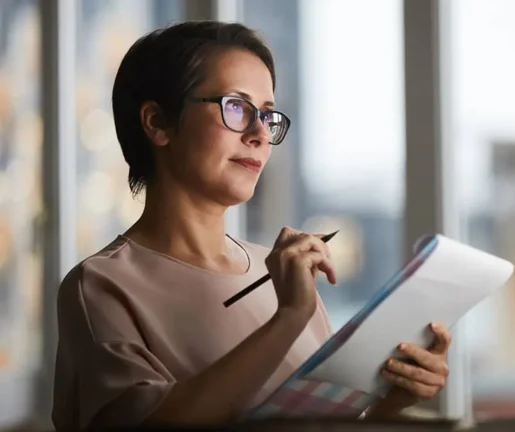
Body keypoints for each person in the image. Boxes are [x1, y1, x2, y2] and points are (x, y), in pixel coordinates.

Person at [51, 21, 452, 430]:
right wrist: (289, 317)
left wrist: (390, 403)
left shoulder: (278, 272)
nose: (261, 134)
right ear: (157, 122)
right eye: (236, 108)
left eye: (267, 114)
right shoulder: (101, 286)